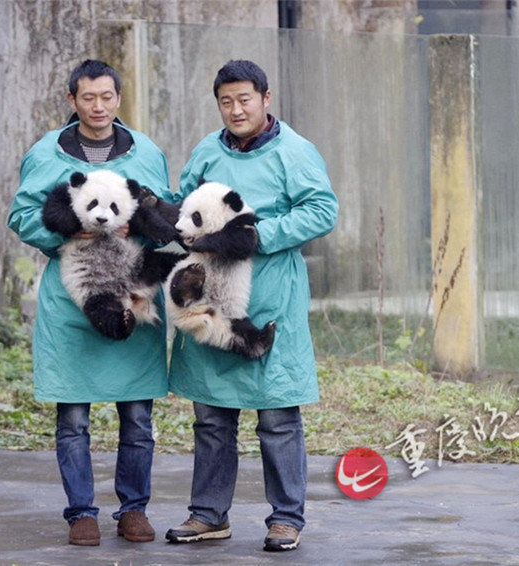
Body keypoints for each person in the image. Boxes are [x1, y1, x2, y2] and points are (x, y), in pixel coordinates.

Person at [165, 59, 339, 552]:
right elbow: (185, 204)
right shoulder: (206, 150)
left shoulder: (295, 151)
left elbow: (323, 209)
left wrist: (257, 237)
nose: (236, 109)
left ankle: (286, 518)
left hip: (269, 295)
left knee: (277, 417)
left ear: (266, 98)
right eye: (226, 101)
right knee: (211, 416)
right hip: (211, 297)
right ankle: (208, 514)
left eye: (245, 99)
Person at [7, 59, 170, 547]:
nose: (98, 106)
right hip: (72, 298)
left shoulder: (146, 154)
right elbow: (21, 215)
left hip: (131, 296)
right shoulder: (46, 154)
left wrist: (138, 225)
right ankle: (81, 512)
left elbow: (162, 210)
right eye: (88, 98)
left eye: (106, 96)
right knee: (73, 416)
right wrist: (66, 231)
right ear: (72, 101)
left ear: (118, 98)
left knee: (138, 415)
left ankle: (134, 508)